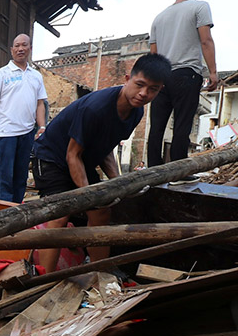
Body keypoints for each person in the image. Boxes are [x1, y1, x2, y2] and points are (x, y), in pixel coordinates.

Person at [29, 53, 171, 273]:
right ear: (127, 79)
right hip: (52, 158)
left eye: (153, 89)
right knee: (59, 215)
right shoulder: (96, 108)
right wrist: (89, 195)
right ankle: (42, 280)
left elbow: (105, 148)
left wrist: (118, 182)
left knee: (101, 213)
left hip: (82, 161)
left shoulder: (136, 112)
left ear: (160, 90)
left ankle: (98, 273)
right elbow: (72, 155)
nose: (144, 93)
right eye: (140, 85)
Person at [147, 0, 218, 167]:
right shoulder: (200, 7)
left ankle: (152, 171)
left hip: (160, 76)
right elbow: (206, 40)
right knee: (182, 125)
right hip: (186, 74)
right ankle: (178, 172)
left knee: (156, 128)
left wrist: (154, 81)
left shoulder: (159, 18)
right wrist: (213, 72)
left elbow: (153, 54)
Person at [0, 34, 47, 203]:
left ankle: (16, 210)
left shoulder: (36, 76)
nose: (20, 49)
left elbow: (40, 104)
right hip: (6, 133)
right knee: (4, 176)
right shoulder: (2, 74)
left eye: (24, 45)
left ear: (30, 48)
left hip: (27, 133)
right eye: (17, 46)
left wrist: (42, 127)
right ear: (12, 50)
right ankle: (2, 212)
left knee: (21, 176)